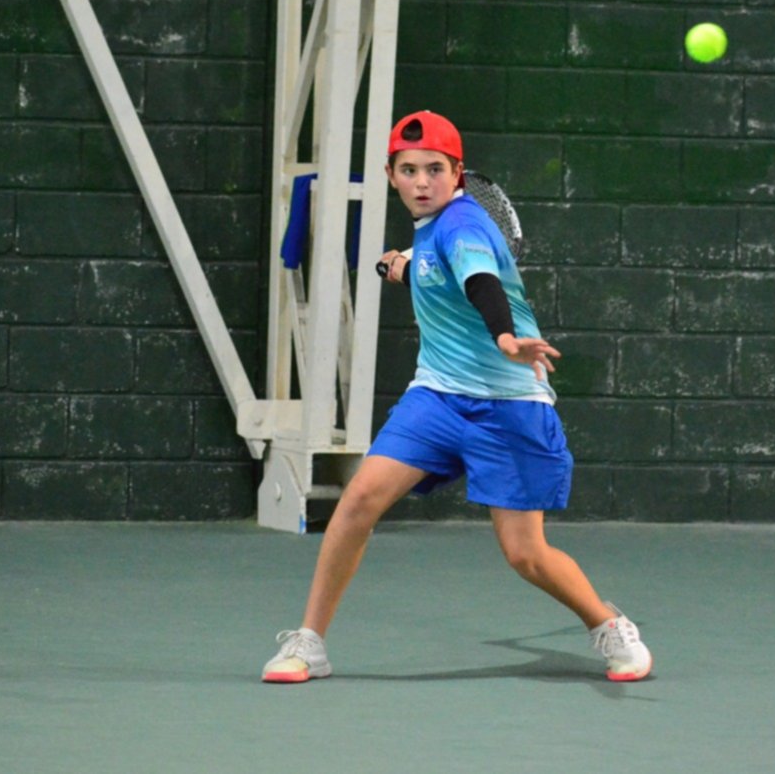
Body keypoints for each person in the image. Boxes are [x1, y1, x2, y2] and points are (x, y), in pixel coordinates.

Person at [261, 110, 652, 684]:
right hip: (437, 400)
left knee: (526, 554)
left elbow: (479, 282)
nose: (422, 182)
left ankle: (607, 624)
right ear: (391, 175)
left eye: (435, 170)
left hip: (509, 405)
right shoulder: (429, 233)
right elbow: (430, 272)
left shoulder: (464, 226)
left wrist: (505, 337)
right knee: (359, 499)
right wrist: (396, 265)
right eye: (409, 170)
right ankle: (309, 642)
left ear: (458, 174)